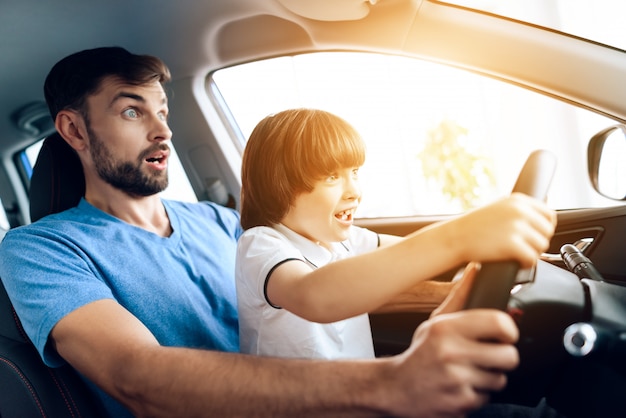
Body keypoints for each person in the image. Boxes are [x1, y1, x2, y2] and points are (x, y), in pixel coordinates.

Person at [0, 46, 557, 418]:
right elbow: (135, 375)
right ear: (73, 128)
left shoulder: (220, 222)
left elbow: (348, 275)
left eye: (163, 110)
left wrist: (484, 285)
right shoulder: (40, 250)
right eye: (131, 112)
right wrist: (388, 385)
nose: (162, 129)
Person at [236, 108, 556, 360]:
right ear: (279, 186)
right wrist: (461, 236)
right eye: (333, 177)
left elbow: (411, 256)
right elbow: (314, 297)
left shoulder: (341, 241)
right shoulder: (262, 244)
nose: (354, 192)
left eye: (355, 173)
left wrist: (497, 248)